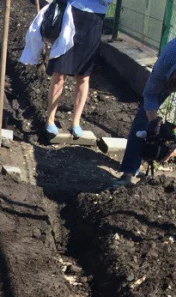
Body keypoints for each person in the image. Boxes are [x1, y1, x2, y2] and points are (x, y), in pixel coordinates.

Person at [44, 0, 113, 139]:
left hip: (95, 19)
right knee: (59, 72)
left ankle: (76, 122)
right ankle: (50, 119)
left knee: (83, 75)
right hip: (71, 14)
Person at [116, 37, 176, 184]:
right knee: (144, 118)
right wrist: (153, 127)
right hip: (169, 68)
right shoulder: (165, 64)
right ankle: (129, 171)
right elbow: (150, 95)